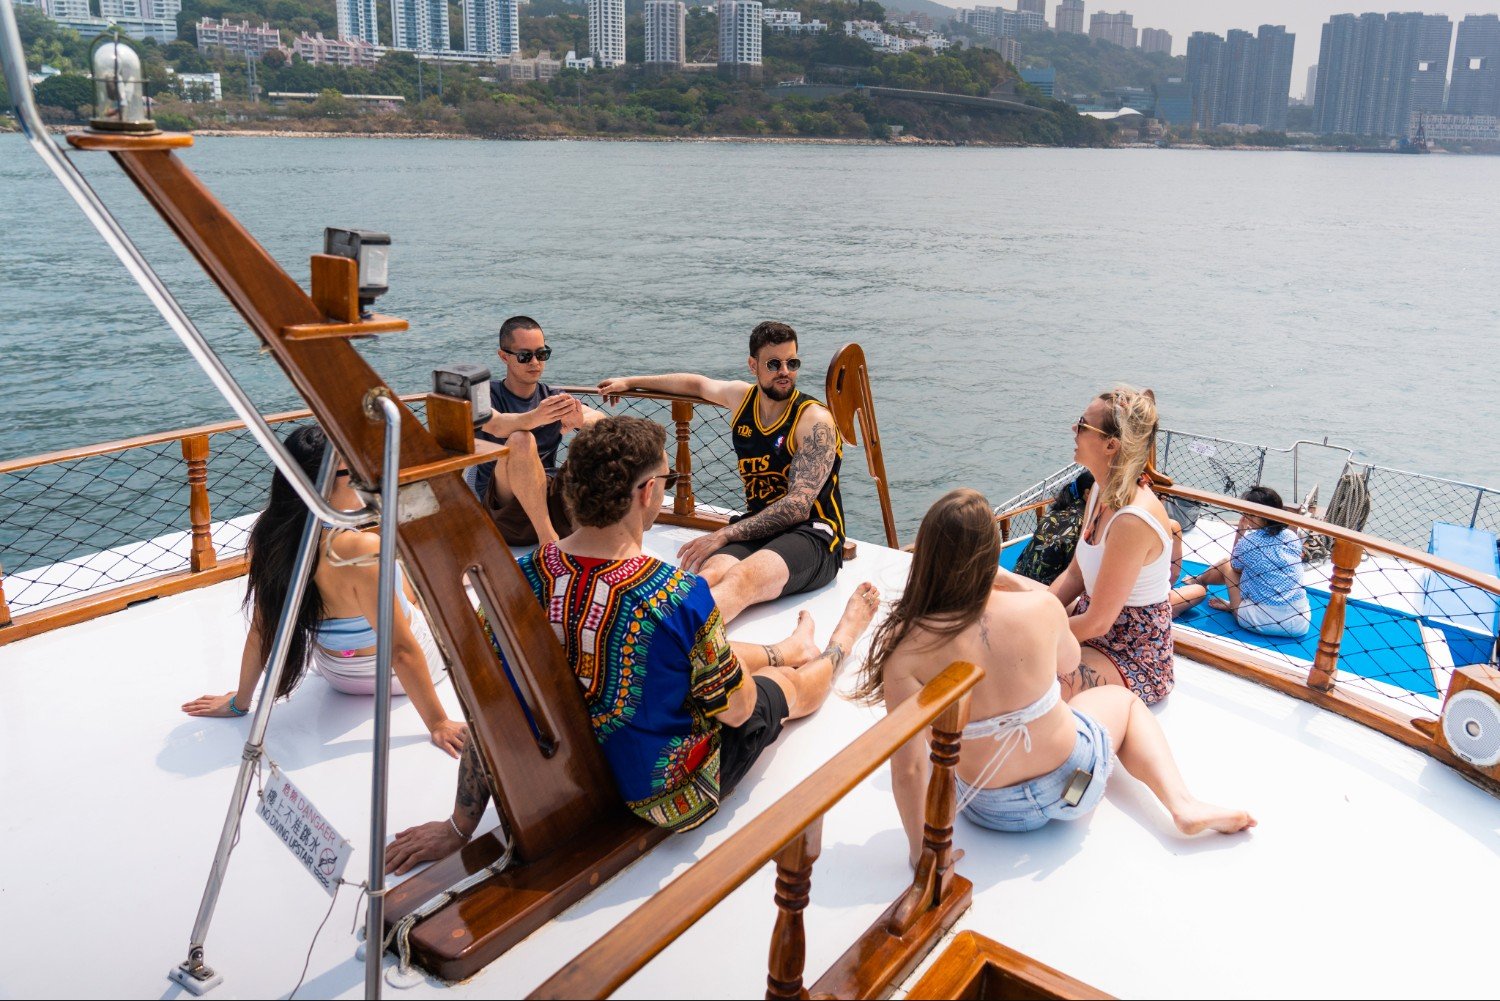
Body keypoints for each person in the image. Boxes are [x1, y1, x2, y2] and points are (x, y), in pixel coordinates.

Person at [385, 417, 879, 873]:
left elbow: (487, 708)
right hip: (663, 796)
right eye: (665, 482)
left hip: (567, 784)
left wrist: (458, 826)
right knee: (781, 690)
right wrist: (742, 684)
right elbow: (737, 710)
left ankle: (784, 646)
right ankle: (840, 640)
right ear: (645, 493)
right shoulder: (676, 597)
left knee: (692, 658)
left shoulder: (518, 581)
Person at [853, 488, 1254, 858]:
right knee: (1123, 703)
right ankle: (1181, 805)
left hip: (989, 809)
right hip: (1074, 787)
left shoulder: (905, 649)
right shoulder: (1039, 610)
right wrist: (1013, 584)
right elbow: (1067, 664)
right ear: (990, 553)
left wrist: (921, 854)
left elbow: (908, 769)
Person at [182, 425, 469, 758]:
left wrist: (239, 702)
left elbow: (263, 629)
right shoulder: (362, 548)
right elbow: (401, 649)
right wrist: (438, 722)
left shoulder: (271, 536)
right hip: (392, 678)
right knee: (410, 579)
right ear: (324, 484)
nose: (363, 477)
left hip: (337, 674)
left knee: (395, 577)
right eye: (353, 471)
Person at [596, 322, 845, 623]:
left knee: (742, 579)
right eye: (774, 363)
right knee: (708, 574)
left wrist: (725, 534)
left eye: (792, 363)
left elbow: (797, 506)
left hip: (812, 533)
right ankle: (639, 622)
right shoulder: (742, 398)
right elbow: (695, 385)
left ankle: (676, 641)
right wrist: (629, 381)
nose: (785, 371)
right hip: (757, 526)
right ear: (753, 365)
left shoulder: (814, 420)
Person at [1046, 387, 1177, 705]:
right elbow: (1075, 575)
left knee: (1031, 684)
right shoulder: (1099, 492)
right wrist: (1039, 615)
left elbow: (1099, 621)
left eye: (1082, 423)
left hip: (1131, 652)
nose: (1073, 429)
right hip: (1091, 630)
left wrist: (1036, 638)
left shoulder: (1132, 520)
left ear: (1110, 444)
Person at [474, 315, 605, 546]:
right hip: (503, 508)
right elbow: (496, 424)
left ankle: (611, 537)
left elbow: (599, 419)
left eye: (542, 354)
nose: (535, 362)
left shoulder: (552, 398)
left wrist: (579, 421)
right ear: (504, 357)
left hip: (549, 496)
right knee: (520, 440)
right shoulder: (484, 395)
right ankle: (548, 541)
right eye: (525, 356)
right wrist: (536, 417)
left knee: (601, 443)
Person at [1172, 485, 1311, 638]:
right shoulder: (1291, 537)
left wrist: (1241, 532)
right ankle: (1206, 585)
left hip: (1258, 621)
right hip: (1299, 623)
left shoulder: (1250, 542)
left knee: (1226, 564)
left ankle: (1201, 582)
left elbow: (1234, 567)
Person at [1012, 470, 1095, 585]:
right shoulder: (1084, 525)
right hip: (1046, 590)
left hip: (1019, 579)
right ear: (1088, 493)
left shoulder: (1054, 514)